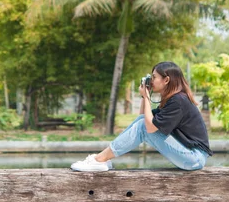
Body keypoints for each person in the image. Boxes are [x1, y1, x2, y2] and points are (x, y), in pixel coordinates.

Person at [71, 61, 212, 172]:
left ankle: (100, 160)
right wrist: (145, 97)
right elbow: (143, 118)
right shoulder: (174, 99)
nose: (151, 81)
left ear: (166, 80)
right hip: (191, 155)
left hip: (194, 158)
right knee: (141, 121)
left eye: (154, 77)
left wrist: (146, 97)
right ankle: (101, 159)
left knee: (143, 126)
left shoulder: (178, 100)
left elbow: (148, 128)